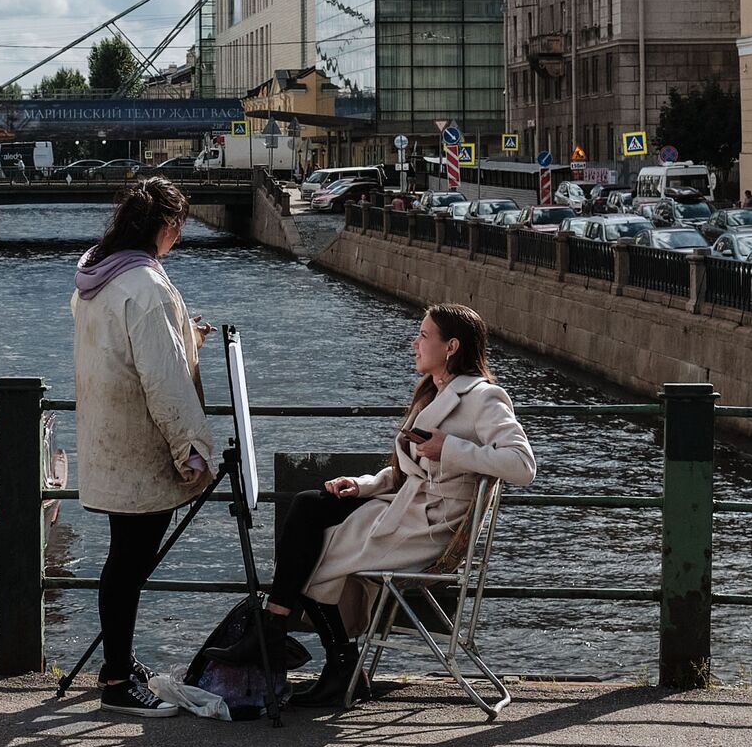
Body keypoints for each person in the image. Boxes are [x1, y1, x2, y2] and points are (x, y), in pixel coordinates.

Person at [209, 303, 536, 707]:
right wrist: (361, 485)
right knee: (311, 504)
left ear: (451, 346)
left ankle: (321, 657)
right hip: (405, 509)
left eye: (423, 336)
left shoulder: (484, 397)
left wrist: (450, 448)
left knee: (310, 554)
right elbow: (403, 472)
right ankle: (289, 637)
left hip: (430, 527)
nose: (414, 343)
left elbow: (522, 465)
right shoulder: (434, 392)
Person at [71, 177, 215, 718]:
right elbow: (165, 382)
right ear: (165, 227)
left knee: (121, 559)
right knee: (129, 564)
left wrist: (185, 338)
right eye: (178, 229)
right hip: (142, 445)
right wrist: (191, 450)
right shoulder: (147, 288)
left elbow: (122, 353)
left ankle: (121, 661)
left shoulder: (98, 279)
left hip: (106, 438)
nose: (177, 238)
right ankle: (115, 680)